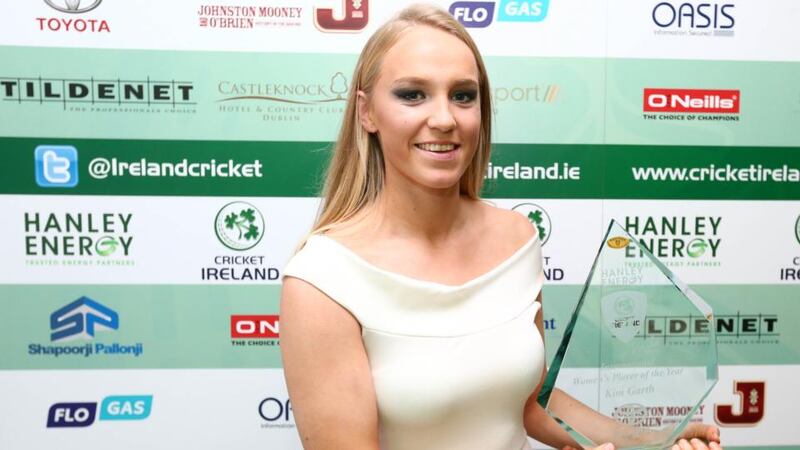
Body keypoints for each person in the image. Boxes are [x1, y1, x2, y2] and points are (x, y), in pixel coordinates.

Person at [280, 4, 723, 450]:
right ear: (366, 113)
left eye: (463, 95)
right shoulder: (322, 280)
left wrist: (652, 442)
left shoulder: (517, 237)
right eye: (413, 94)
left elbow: (529, 405)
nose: (444, 118)